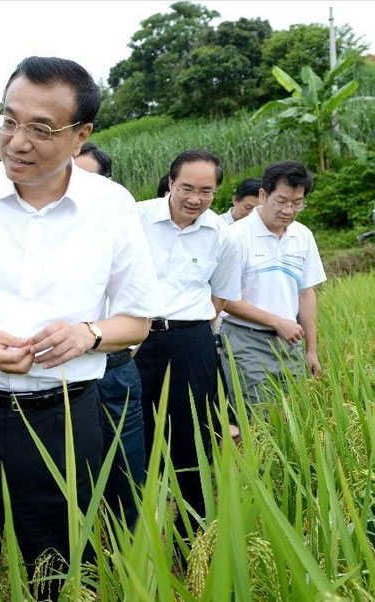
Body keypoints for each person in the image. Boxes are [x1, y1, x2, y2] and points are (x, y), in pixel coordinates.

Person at [0, 56, 160, 600]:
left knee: (61, 573)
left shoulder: (111, 207)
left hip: (67, 420)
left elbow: (137, 320)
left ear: (80, 135)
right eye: (9, 120)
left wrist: (87, 335)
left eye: (41, 129)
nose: (17, 141)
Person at [134, 150, 241, 538]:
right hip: (134, 341)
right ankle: (131, 532)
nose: (195, 199)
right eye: (187, 188)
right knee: (134, 431)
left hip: (190, 340)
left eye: (207, 191)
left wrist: (187, 329)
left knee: (191, 437)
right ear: (171, 182)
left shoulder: (224, 236)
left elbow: (220, 297)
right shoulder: (135, 217)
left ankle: (192, 538)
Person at [75, 147, 144, 529]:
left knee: (126, 476)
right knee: (69, 481)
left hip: (113, 372)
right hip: (57, 379)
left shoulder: (121, 230)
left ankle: (129, 562)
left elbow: (139, 311)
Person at [219, 161, 326, 407]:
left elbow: (306, 294)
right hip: (246, 341)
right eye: (282, 201)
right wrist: (277, 322)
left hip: (291, 342)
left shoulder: (303, 235)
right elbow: (225, 299)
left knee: (297, 414)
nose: (289, 209)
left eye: (297, 203)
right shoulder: (236, 235)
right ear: (263, 195)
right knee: (258, 416)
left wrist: (311, 350)